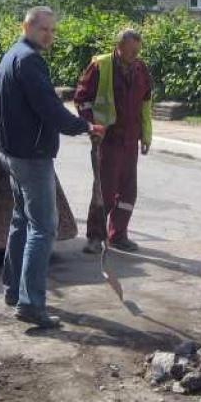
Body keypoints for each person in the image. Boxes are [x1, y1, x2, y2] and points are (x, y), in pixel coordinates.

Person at [0, 6, 106, 328]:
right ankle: (30, 304)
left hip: (13, 153)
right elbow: (50, 109)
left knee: (22, 220)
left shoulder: (11, 56)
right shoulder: (29, 61)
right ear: (26, 27)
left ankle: (14, 290)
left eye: (52, 30)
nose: (49, 36)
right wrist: (85, 126)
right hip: (31, 156)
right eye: (44, 29)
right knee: (43, 228)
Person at [74, 28, 153, 253]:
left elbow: (146, 102)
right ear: (119, 47)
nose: (135, 55)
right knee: (105, 191)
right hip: (108, 139)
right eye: (131, 51)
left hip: (130, 139)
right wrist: (92, 126)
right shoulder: (100, 66)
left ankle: (118, 235)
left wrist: (146, 135)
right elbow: (81, 99)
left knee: (128, 192)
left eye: (138, 50)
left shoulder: (140, 68)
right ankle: (95, 237)